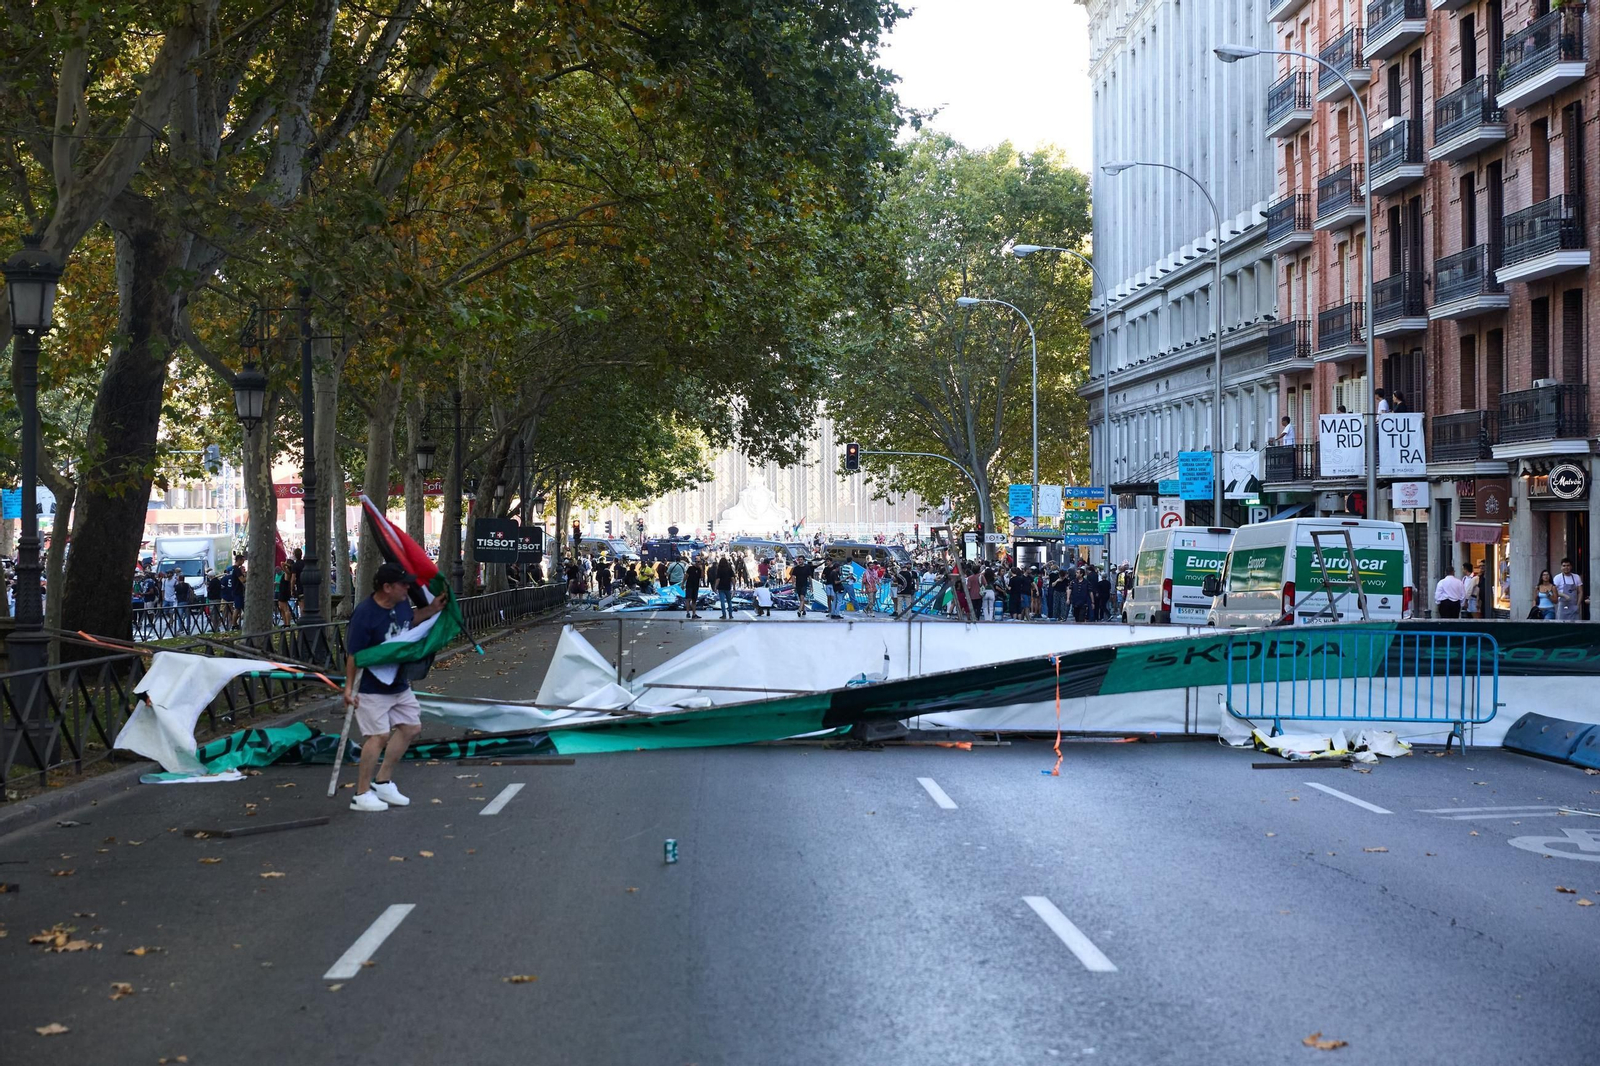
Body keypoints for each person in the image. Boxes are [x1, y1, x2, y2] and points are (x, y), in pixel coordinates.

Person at [343, 563, 446, 813]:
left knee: (411, 727)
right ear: (386, 587)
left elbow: (409, 621)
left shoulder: (400, 604)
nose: (407, 588)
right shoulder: (364, 614)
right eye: (402, 584)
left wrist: (433, 610)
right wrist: (348, 689)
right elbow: (354, 655)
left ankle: (383, 781)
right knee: (378, 737)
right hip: (370, 686)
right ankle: (361, 793)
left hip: (398, 682)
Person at [1554, 557, 1584, 622]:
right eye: (1564, 566)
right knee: (1561, 625)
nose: (1566, 567)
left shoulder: (1576, 577)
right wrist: (1564, 595)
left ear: (1571, 567)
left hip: (1574, 605)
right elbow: (1553, 591)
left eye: (1568, 565)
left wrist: (1578, 605)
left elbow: (1580, 592)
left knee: (1575, 625)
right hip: (1562, 605)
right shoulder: (1557, 578)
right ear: (1561, 567)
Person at [713, 554, 736, 619]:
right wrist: (734, 586)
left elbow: (718, 579)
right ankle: (730, 615)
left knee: (722, 602)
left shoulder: (719, 569)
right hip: (728, 586)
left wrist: (715, 586)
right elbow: (732, 578)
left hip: (721, 587)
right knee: (729, 601)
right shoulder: (729, 569)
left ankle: (724, 615)